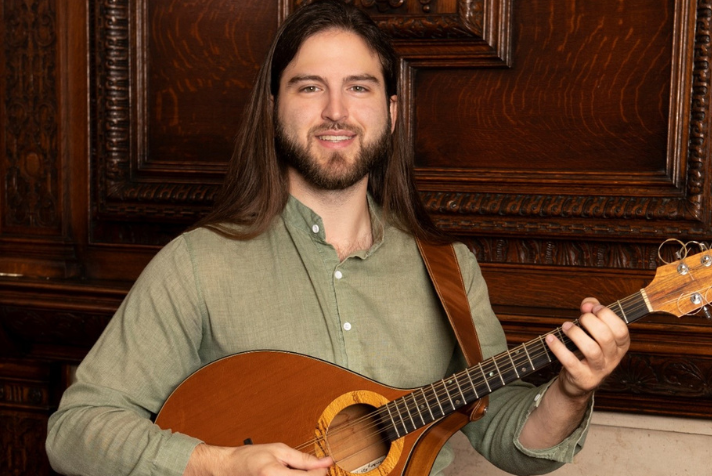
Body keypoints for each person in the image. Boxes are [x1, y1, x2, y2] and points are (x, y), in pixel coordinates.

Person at [46, 1, 630, 475]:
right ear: (274, 106)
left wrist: (572, 391)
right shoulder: (198, 264)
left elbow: (505, 434)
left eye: (359, 87)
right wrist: (218, 463)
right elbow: (75, 432)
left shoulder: (450, 269)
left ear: (392, 111)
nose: (335, 111)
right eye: (308, 88)